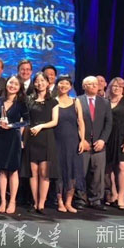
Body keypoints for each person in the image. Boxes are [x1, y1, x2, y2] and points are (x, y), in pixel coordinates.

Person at [21, 72, 60, 214]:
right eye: (37, 81)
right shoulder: (29, 100)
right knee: (33, 172)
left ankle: (42, 204)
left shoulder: (53, 101)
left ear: (48, 83)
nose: (40, 83)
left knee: (44, 172)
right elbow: (25, 120)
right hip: (32, 138)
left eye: (43, 80)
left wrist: (41, 126)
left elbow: (55, 121)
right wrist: (22, 138)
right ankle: (35, 202)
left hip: (46, 137)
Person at [0, 75, 29, 214]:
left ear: (19, 88)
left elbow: (27, 121)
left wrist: (12, 125)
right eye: (11, 83)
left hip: (13, 138)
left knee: (13, 170)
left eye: (16, 84)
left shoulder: (21, 102)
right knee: (1, 170)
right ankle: (3, 200)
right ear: (6, 83)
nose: (12, 86)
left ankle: (12, 201)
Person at [76, 76, 112, 211]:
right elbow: (75, 122)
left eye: (95, 84)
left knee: (98, 173)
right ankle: (80, 199)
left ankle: (96, 200)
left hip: (99, 144)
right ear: (84, 86)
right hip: (83, 143)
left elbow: (108, 123)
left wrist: (103, 140)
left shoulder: (105, 103)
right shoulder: (77, 101)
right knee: (80, 172)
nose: (94, 86)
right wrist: (81, 139)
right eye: (90, 84)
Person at [53, 75, 85, 213]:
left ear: (71, 86)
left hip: (73, 141)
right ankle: (60, 201)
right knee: (59, 172)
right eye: (61, 83)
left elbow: (81, 122)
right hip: (57, 141)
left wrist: (82, 140)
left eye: (67, 83)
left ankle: (68, 202)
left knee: (73, 172)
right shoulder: (53, 102)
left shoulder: (75, 101)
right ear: (57, 85)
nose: (64, 86)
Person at [104, 77, 124, 210]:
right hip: (108, 137)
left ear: (123, 88)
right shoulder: (105, 101)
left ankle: (121, 196)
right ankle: (113, 193)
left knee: (122, 165)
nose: (116, 88)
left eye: (119, 86)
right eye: (114, 86)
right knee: (108, 167)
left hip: (122, 137)